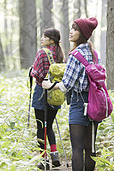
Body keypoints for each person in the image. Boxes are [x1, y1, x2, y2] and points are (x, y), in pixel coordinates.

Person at [43, 17, 99, 171]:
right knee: (90, 149)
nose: (71, 31)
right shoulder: (94, 53)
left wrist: (50, 85)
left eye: (75, 29)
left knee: (77, 149)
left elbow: (66, 85)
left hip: (79, 103)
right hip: (94, 103)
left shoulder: (75, 55)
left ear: (82, 34)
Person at [30, 28, 65, 169]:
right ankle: (55, 154)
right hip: (55, 92)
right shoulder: (60, 54)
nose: (42, 39)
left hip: (41, 92)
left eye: (45, 37)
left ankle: (44, 161)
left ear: (51, 40)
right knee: (49, 125)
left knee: (40, 127)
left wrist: (31, 69)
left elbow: (37, 74)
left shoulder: (42, 52)